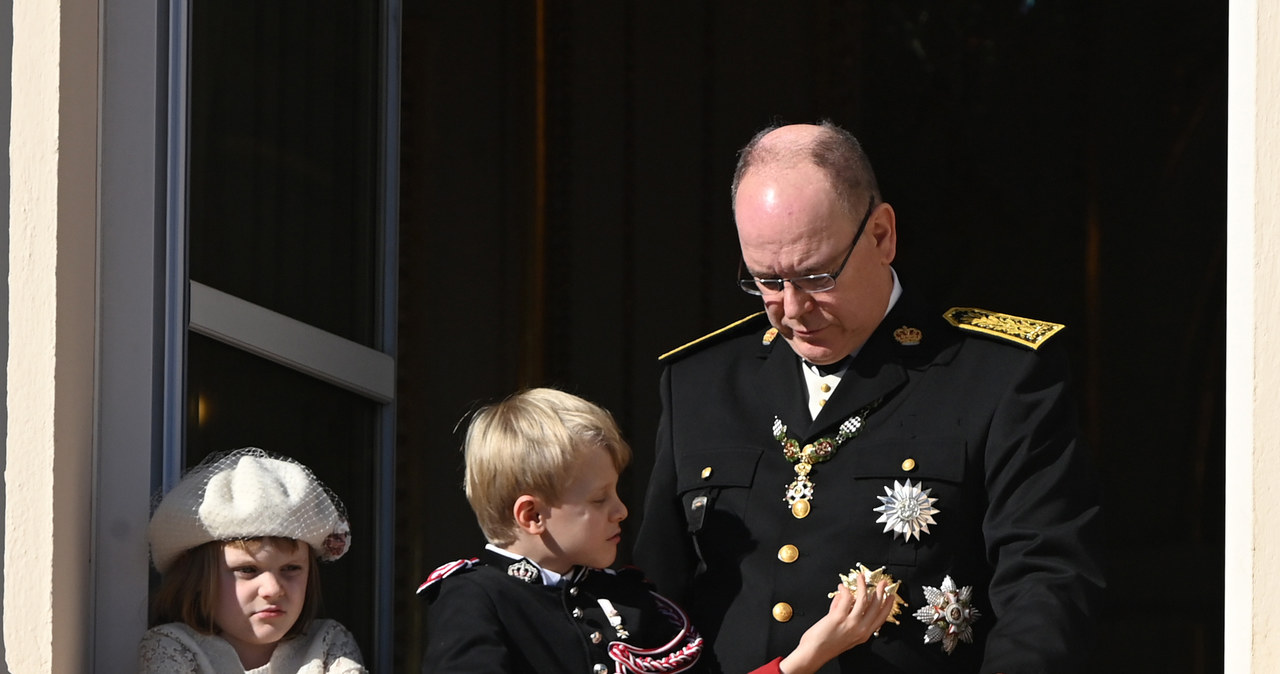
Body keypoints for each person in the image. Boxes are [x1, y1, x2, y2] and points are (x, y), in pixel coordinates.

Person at [634, 122, 1105, 673]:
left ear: (881, 235)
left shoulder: (998, 377)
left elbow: (1045, 589)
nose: (792, 309)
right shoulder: (701, 382)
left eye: (816, 276)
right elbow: (658, 604)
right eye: (766, 281)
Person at [419, 387, 898, 674]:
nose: (622, 511)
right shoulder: (476, 597)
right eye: (598, 499)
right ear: (532, 516)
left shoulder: (627, 599)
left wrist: (809, 654)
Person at [138, 447, 366, 673]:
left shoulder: (329, 644)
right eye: (247, 569)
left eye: (291, 568)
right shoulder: (172, 647)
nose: (273, 589)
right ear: (196, 579)